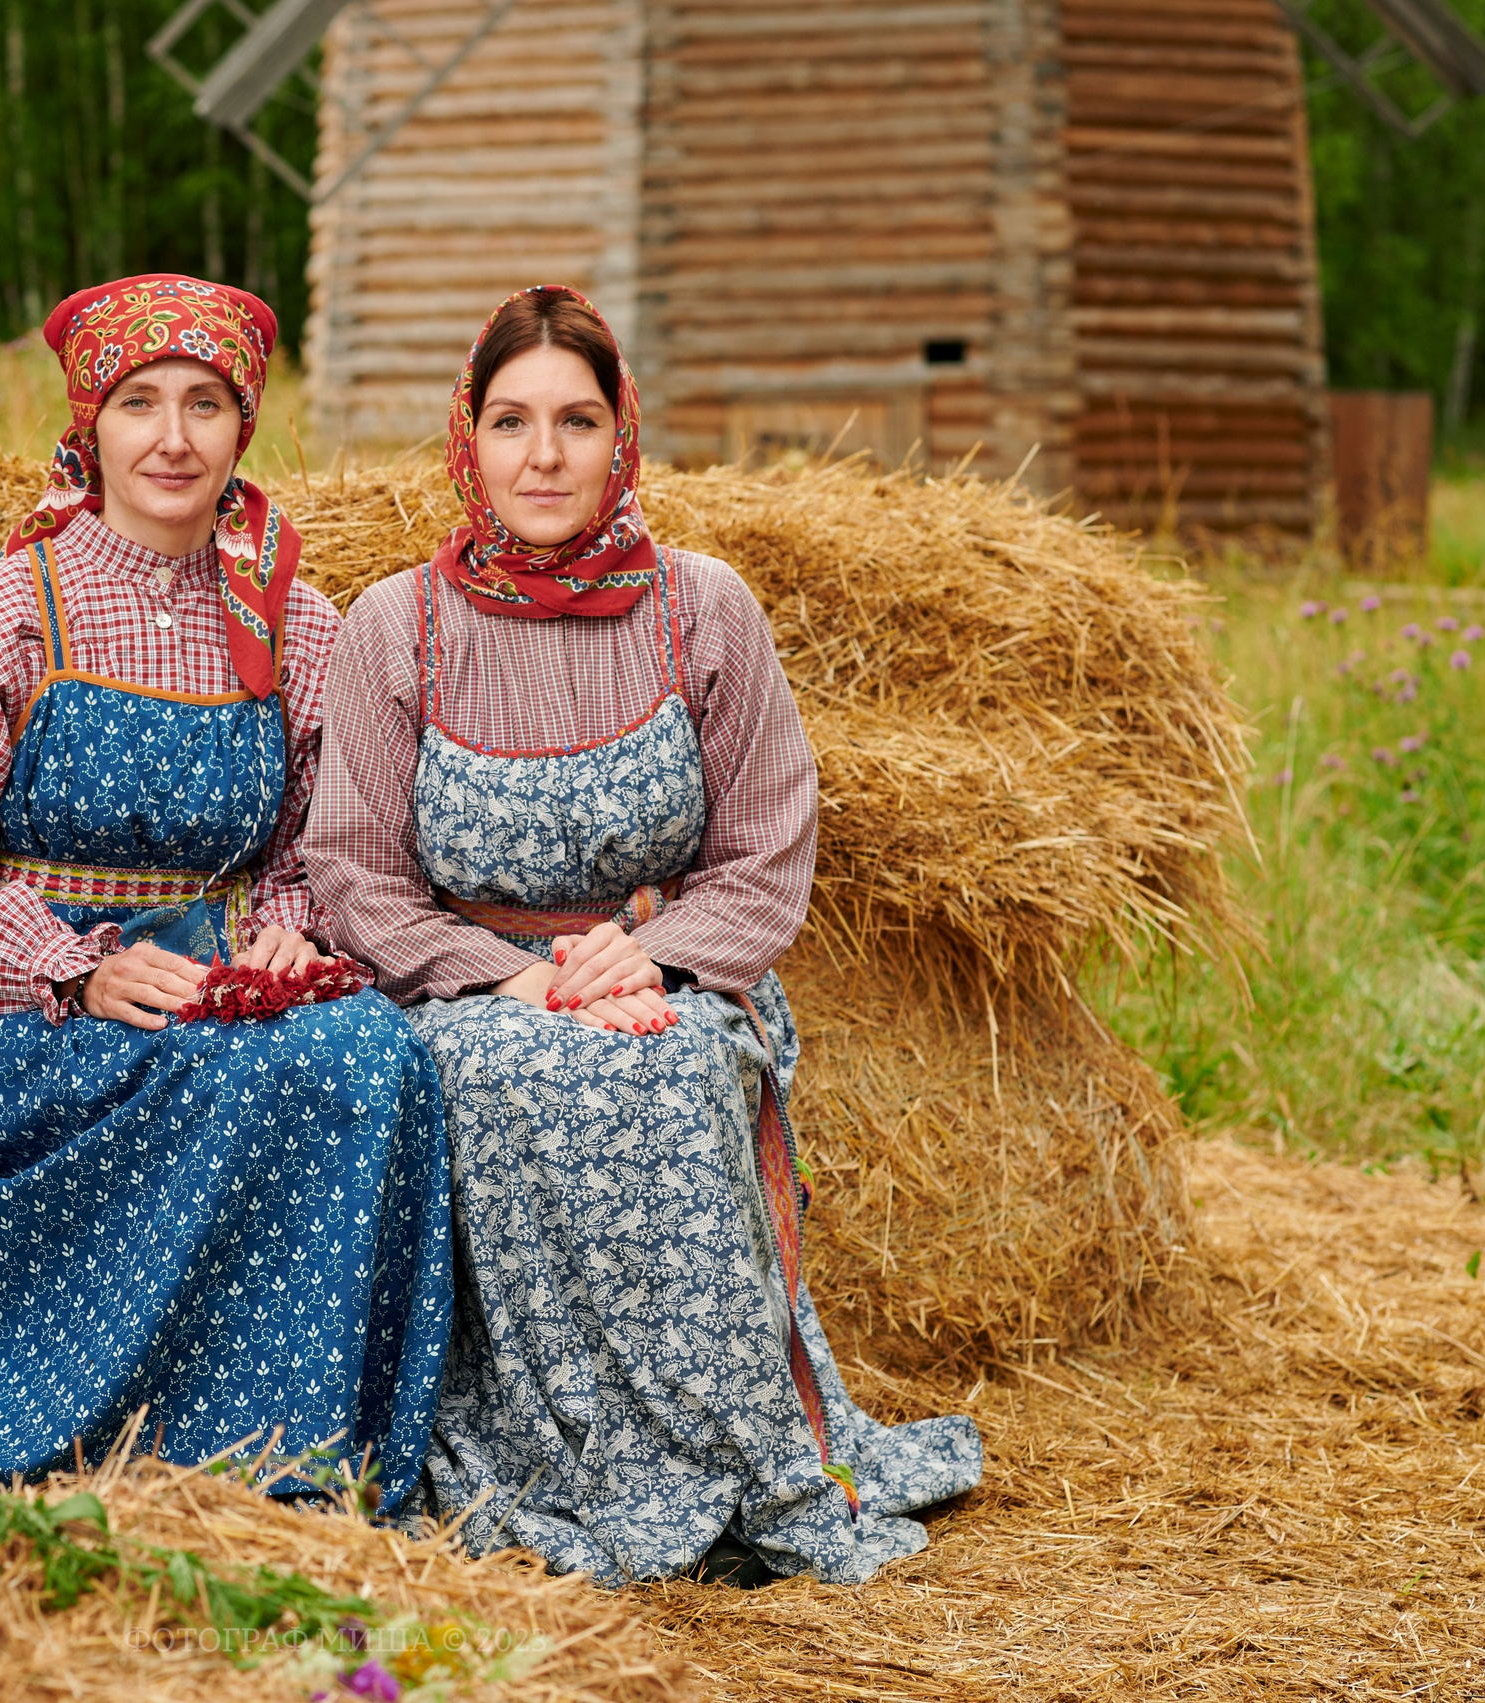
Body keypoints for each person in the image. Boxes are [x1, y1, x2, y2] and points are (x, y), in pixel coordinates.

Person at [303, 285, 981, 1586]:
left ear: (622, 434)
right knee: (492, 1079)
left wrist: (655, 960)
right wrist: (523, 978)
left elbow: (765, 849)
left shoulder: (700, 607)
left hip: (669, 975)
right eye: (512, 420)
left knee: (666, 1071)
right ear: (470, 438)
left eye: (575, 419)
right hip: (474, 992)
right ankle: (550, 1461)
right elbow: (359, 877)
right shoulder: (397, 625)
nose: (542, 454)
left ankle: (720, 1448)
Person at [0, 274, 452, 1505]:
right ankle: (95, 1421)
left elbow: (316, 844)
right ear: (91, 424)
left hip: (212, 977)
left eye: (205, 404)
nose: (172, 437)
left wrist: (287, 935)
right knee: (206, 1071)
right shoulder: (3, 613)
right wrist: (72, 964)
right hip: (16, 1010)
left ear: (243, 428)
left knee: (370, 1055)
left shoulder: (300, 628)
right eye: (139, 403)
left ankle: (288, 1455)